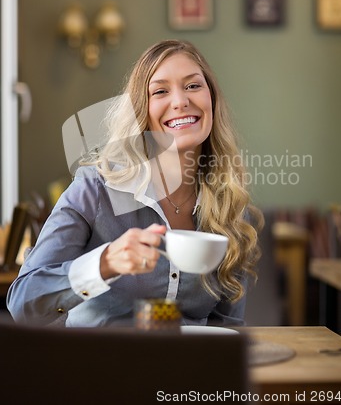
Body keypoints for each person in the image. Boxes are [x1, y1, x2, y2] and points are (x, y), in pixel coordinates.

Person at [7, 39, 262, 327]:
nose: (180, 101)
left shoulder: (232, 206)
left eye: (193, 86)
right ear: (142, 109)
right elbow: (23, 303)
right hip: (97, 368)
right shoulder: (95, 189)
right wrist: (104, 264)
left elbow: (227, 327)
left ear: (212, 99)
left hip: (188, 370)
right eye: (160, 91)